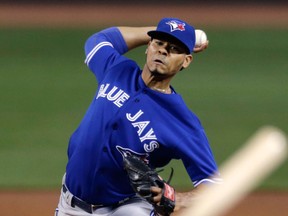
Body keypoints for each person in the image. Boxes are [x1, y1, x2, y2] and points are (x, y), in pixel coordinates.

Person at [55, 17, 221, 216]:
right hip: (70, 206)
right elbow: (99, 40)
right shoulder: (117, 69)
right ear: (148, 46)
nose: (163, 51)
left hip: (127, 208)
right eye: (158, 43)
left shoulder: (182, 120)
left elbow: (213, 185)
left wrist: (179, 199)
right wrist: (157, 32)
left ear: (186, 60)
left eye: (174, 48)